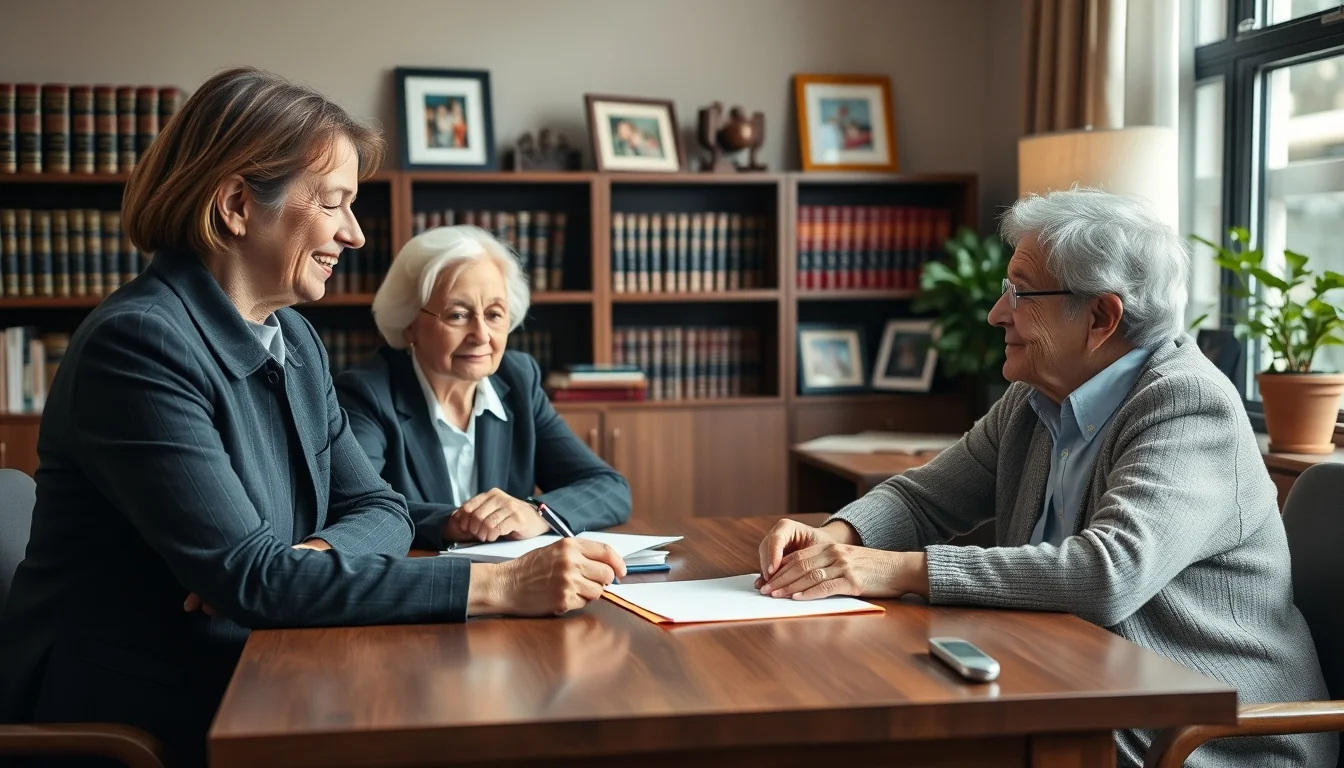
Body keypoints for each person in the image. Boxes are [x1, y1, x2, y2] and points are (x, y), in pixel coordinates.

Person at [0, 67, 625, 768]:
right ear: (237, 204)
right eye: (334, 203)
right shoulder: (138, 345)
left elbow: (381, 509)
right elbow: (252, 580)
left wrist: (311, 560)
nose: (353, 235)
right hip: (148, 713)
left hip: (261, 664)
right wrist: (501, 585)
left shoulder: (293, 339)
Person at [755, 188, 1336, 768]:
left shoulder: (1186, 405)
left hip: (1209, 738)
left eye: (1021, 292)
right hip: (1071, 685)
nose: (996, 313)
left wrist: (894, 569)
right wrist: (836, 540)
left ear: (1101, 317)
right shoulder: (1033, 397)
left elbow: (1107, 575)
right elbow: (923, 499)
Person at [335, 225, 631, 550]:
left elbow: (610, 488)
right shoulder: (368, 393)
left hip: (514, 578)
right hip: (418, 575)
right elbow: (354, 506)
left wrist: (536, 512)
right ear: (408, 324)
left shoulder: (518, 381)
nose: (481, 335)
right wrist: (450, 522)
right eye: (458, 315)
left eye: (494, 314)